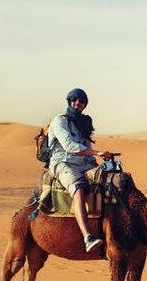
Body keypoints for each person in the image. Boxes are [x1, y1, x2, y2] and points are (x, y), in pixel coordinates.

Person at [47, 88, 113, 252]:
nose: (78, 103)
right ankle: (87, 237)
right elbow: (70, 146)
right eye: (74, 100)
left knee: (111, 181)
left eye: (81, 101)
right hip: (63, 162)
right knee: (78, 189)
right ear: (69, 101)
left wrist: (98, 163)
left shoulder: (84, 124)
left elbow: (87, 147)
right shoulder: (59, 121)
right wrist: (97, 152)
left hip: (83, 162)